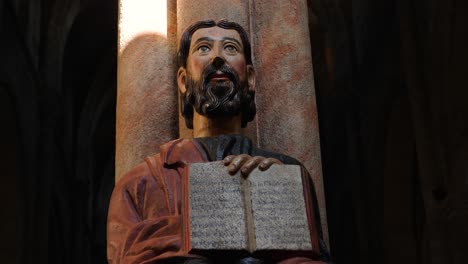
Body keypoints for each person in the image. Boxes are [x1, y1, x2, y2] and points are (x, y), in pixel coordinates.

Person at [107, 19, 330, 264]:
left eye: (231, 48)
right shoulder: (141, 183)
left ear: (251, 78)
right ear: (182, 81)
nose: (218, 58)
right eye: (203, 48)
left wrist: (279, 202)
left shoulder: (287, 173)